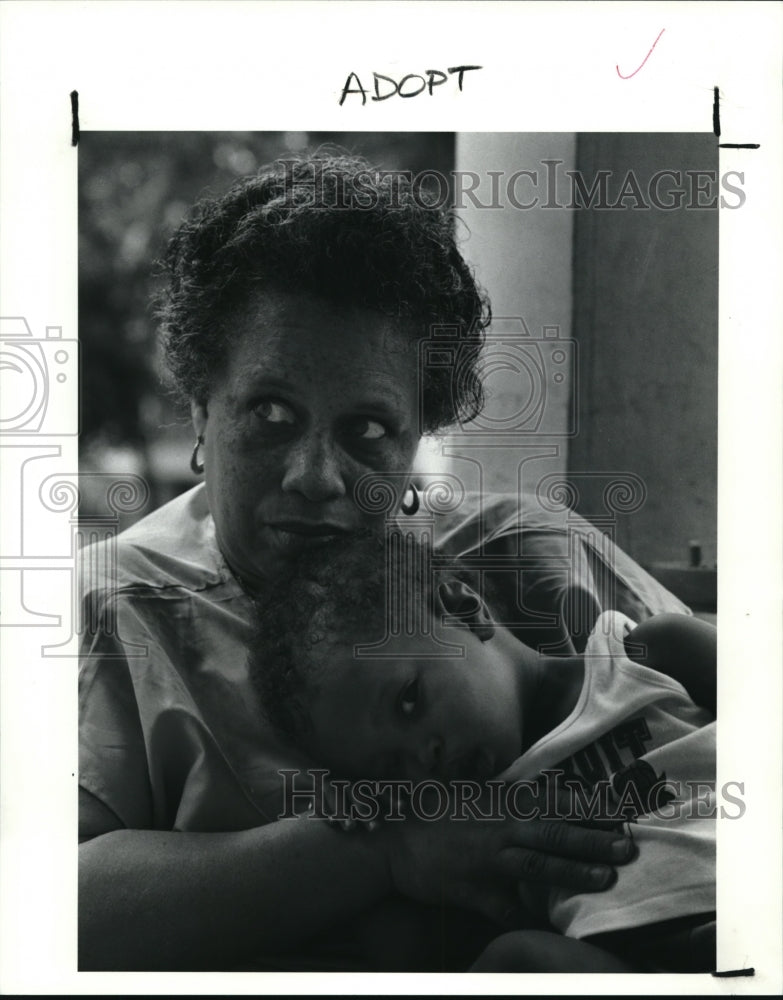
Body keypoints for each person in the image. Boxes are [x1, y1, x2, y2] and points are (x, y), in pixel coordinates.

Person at [79, 152, 683, 971]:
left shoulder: (529, 555)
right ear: (199, 408)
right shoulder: (117, 608)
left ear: (415, 437)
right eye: (269, 412)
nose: (316, 478)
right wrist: (377, 847)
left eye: (367, 430)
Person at [250, 532, 716, 972]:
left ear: (465, 609)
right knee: (513, 959)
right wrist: (369, 823)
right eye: (392, 767)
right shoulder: (476, 827)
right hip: (637, 967)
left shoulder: (645, 658)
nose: (422, 759)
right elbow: (399, 947)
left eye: (409, 700)